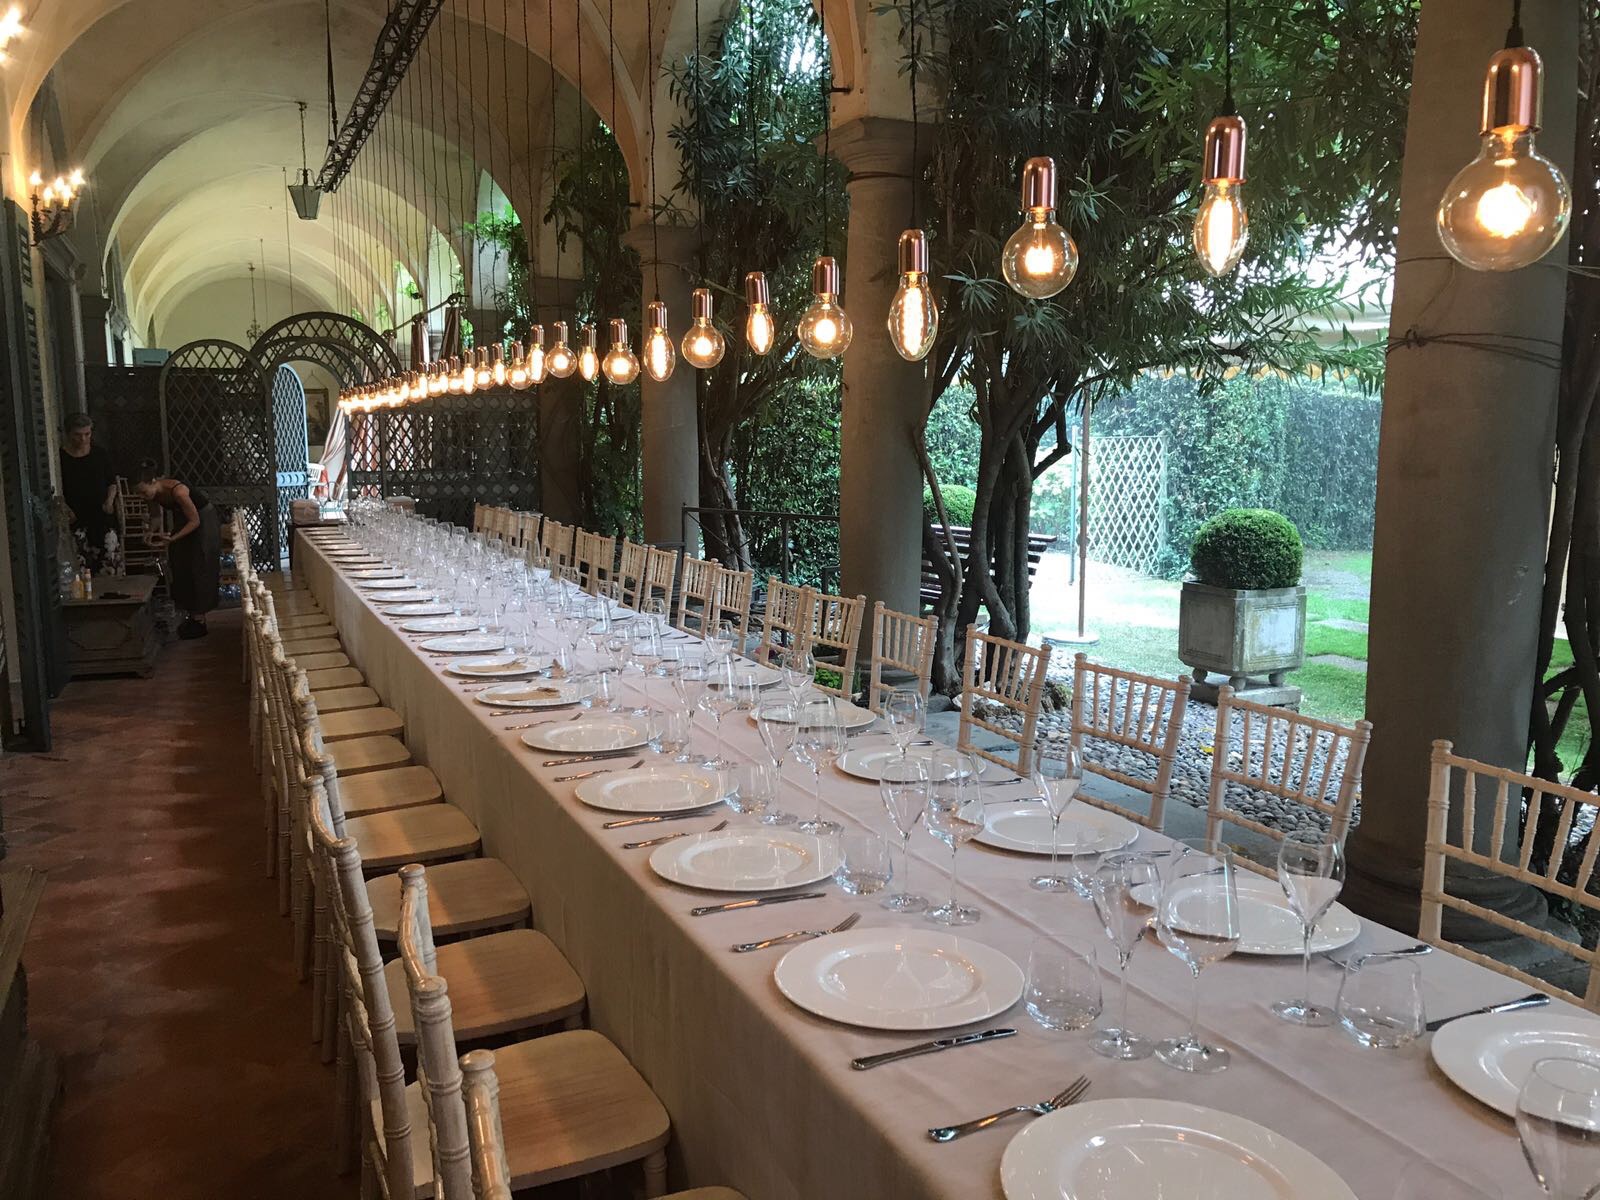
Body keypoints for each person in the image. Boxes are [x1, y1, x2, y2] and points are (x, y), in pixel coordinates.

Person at [136, 460, 220, 640]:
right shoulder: (153, 494)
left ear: (153, 482)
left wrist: (173, 538)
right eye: (139, 494)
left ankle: (200, 619)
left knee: (199, 564)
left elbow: (195, 521)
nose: (143, 497)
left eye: (144, 492)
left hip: (202, 520)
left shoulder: (178, 491)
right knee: (180, 561)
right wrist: (150, 532)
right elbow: (156, 516)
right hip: (185, 520)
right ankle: (190, 613)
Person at [59, 413, 118, 567]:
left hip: (101, 516)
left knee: (108, 562)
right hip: (76, 519)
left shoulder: (100, 454)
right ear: (68, 434)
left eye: (87, 434)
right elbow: (58, 489)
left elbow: (111, 482)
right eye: (77, 435)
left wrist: (109, 501)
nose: (83, 439)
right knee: (80, 564)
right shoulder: (61, 458)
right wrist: (66, 509)